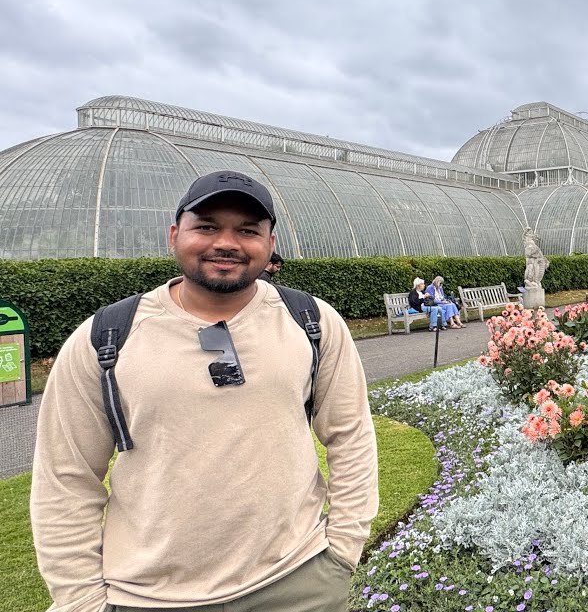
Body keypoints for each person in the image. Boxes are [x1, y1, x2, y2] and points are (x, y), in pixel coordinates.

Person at [31, 170, 378, 612]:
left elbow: (350, 435)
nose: (227, 243)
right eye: (208, 226)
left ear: (270, 246)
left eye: (248, 230)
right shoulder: (105, 337)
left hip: (299, 580)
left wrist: (342, 551)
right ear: (175, 235)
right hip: (148, 596)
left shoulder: (312, 322)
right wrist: (79, 599)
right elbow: (66, 477)